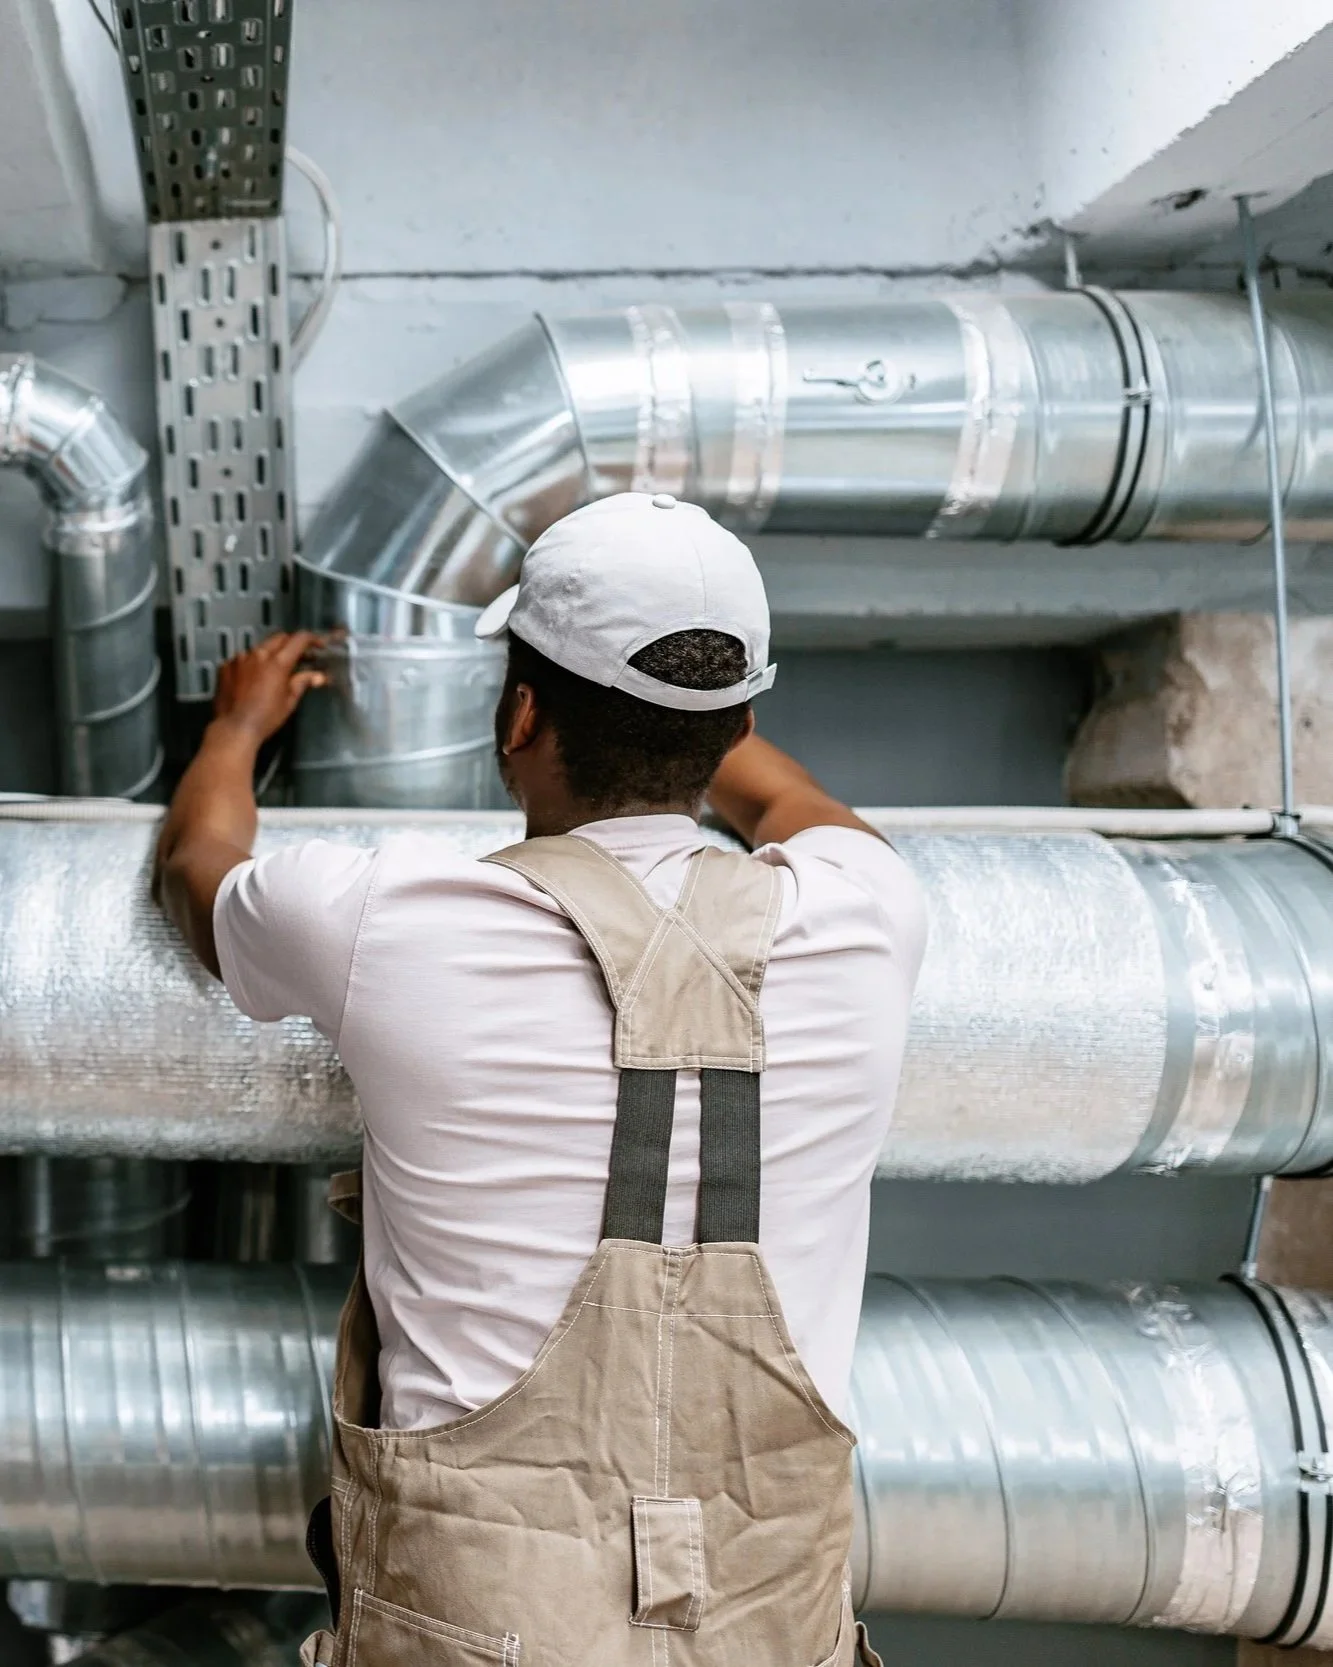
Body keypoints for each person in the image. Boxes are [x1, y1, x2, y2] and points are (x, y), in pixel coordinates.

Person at [156, 491, 927, 1666]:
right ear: (740, 723)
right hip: (767, 1626)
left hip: (476, 1624)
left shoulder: (389, 917)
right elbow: (788, 804)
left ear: (520, 713)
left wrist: (236, 728)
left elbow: (197, 867)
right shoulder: (865, 912)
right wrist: (694, 711)